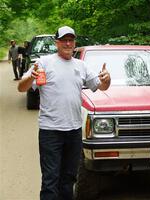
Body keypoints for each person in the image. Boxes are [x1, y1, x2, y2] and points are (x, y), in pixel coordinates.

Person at [17, 26, 111, 200]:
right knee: (50, 181)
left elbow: (101, 86)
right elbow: (21, 88)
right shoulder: (43, 63)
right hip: (50, 132)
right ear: (57, 43)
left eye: (71, 40)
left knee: (68, 180)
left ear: (74, 43)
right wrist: (31, 77)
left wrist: (107, 79)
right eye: (64, 40)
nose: (68, 43)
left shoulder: (81, 65)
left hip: (74, 131)